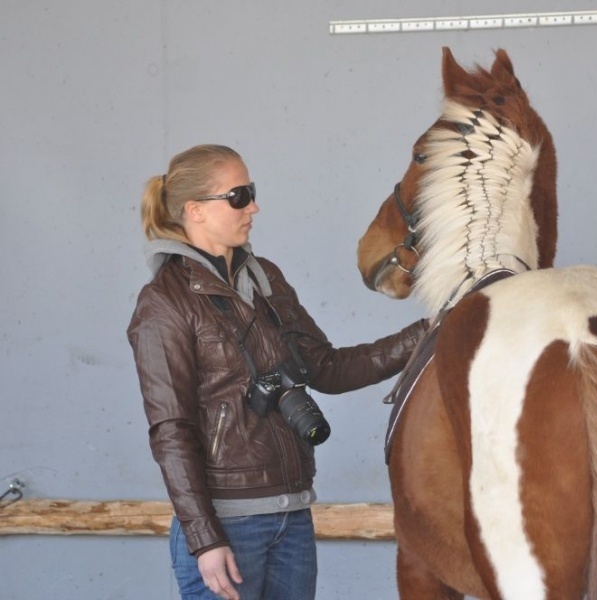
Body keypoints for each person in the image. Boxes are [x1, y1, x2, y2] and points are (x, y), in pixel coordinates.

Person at [127, 144, 429, 600]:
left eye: (252, 192)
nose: (254, 206)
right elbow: (171, 430)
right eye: (238, 196)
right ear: (195, 210)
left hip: (292, 517)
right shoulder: (164, 302)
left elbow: (325, 368)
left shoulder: (265, 277)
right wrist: (204, 539)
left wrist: (428, 332)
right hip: (227, 528)